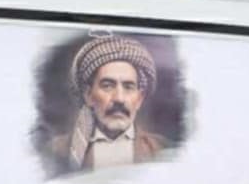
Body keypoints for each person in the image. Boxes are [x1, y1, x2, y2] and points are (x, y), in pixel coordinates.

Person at [46, 34, 166, 173]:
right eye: (107, 85)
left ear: (139, 99)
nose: (119, 98)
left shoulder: (162, 150)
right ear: (88, 95)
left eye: (128, 87)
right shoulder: (57, 151)